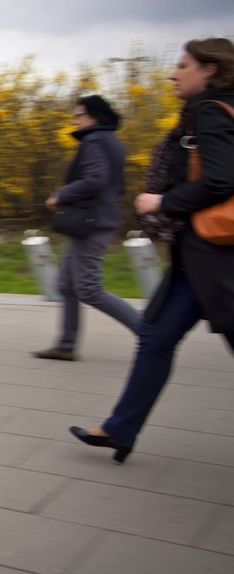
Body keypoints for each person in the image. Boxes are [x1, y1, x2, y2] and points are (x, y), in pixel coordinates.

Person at [71, 38, 234, 463]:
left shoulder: (212, 113)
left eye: (183, 65)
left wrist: (162, 202)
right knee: (154, 337)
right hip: (199, 260)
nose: (174, 73)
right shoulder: (216, 111)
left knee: (155, 339)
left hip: (217, 260)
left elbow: (220, 180)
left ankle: (120, 427)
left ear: (210, 70)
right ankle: (120, 428)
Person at [35, 95, 141, 360]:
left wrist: (61, 194)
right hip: (93, 221)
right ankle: (66, 345)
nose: (75, 119)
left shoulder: (94, 140)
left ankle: (149, 333)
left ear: (94, 116)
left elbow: (96, 179)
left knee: (88, 289)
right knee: (66, 285)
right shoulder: (110, 140)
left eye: (79, 114)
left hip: (92, 222)